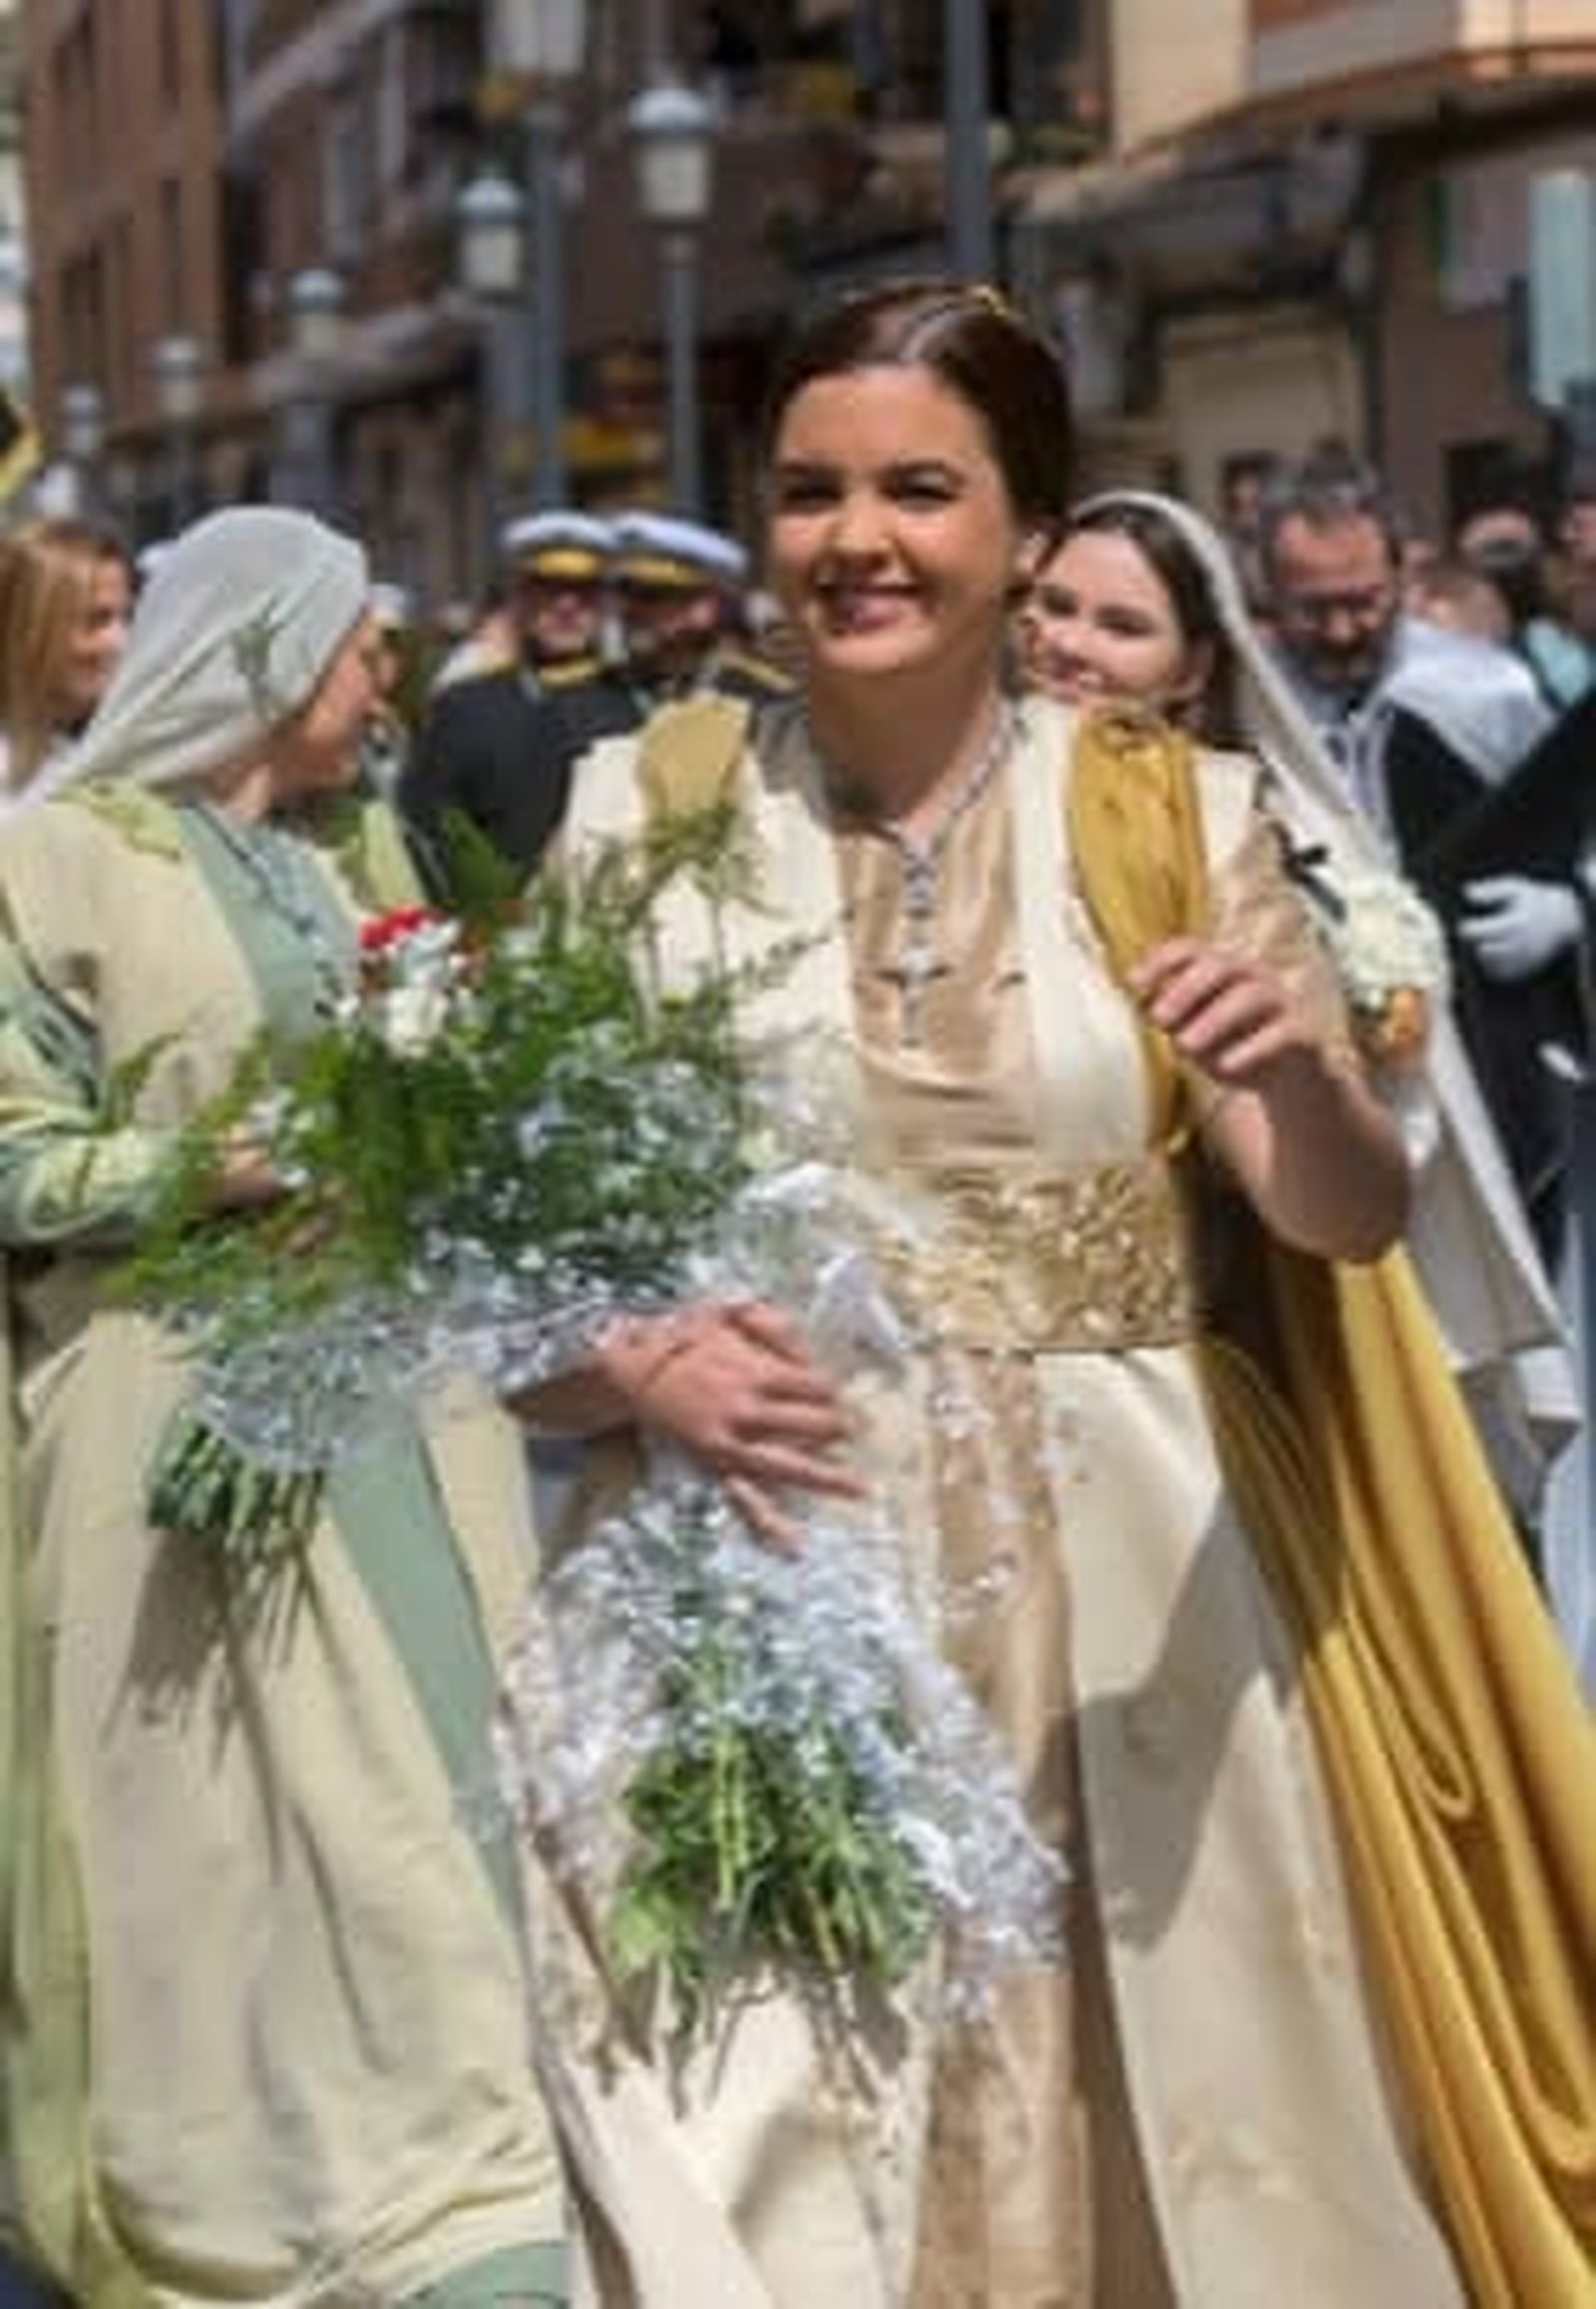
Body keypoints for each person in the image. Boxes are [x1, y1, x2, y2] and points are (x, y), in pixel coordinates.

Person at [506, 282, 1595, 2304]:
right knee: (765, 2162)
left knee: (1178, 2144)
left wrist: (1295, 1065)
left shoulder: (1172, 819)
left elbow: (1337, 1223)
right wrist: (627, 1356)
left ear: (1021, 527)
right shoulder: (633, 819)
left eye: (921, 487)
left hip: (1134, 1596)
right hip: (771, 1586)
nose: (859, 539)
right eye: (813, 489)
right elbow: (505, 1275)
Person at [0, 508, 566, 2303]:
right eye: (354, 646)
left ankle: (467, 2198)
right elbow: (12, 1155)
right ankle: (242, 2191)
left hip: (398, 1410)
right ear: (259, 656)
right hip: (164, 1415)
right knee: (217, 1840)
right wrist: (208, 1168)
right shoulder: (55, 861)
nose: (384, 678)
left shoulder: (355, 855)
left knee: (418, 1816)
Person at [1019, 490, 1583, 1609]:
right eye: (1051, 608)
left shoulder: (1256, 831)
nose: (1071, 647)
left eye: (1119, 625)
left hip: (1235, 1302)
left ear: (1192, 666)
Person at [1258, 450, 1583, 1264]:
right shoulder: (1249, 703)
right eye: (1312, 609)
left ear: (1403, 571)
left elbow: (1575, 812)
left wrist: (1576, 905)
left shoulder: (1485, 691)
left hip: (1485, 1053)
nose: (1339, 632)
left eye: (1363, 602)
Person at [403, 511, 637, 890]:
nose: (567, 605)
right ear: (518, 596)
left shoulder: (635, 705)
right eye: (548, 587)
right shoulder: (465, 707)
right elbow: (426, 835)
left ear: (606, 601)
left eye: (583, 590)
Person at [0, 516, 133, 807]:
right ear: (32, 628)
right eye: (96, 620)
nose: (120, 641)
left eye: (126, 617)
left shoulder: (130, 753)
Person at [610, 510, 793, 708]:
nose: (630, 608)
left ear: (704, 607)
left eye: (650, 596)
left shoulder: (768, 699)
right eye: (624, 592)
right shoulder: (579, 698)